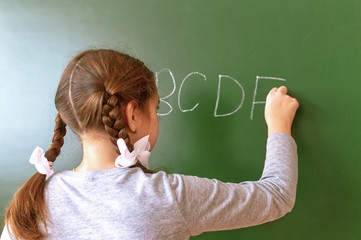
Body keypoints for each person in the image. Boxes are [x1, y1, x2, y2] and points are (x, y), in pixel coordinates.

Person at [1, 49, 299, 240]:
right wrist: (279, 126)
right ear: (132, 115)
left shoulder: (32, 202)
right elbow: (277, 196)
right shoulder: (164, 197)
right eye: (155, 109)